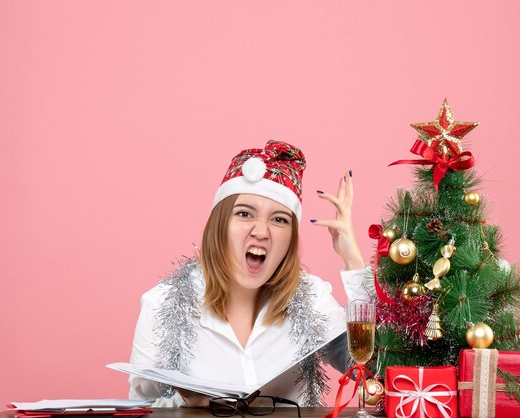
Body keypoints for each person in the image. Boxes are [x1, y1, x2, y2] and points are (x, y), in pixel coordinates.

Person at [128, 140, 373, 407]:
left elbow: (375, 371)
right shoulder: (161, 304)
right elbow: (141, 409)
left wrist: (354, 261)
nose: (261, 231)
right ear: (219, 225)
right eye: (245, 214)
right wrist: (190, 405)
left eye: (279, 219)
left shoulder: (312, 299)